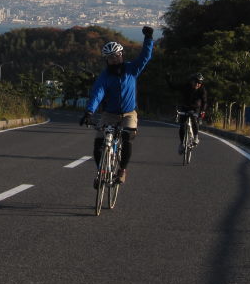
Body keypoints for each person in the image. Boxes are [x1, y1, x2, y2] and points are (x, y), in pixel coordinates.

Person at [79, 26, 154, 185]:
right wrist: (89, 112)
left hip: (128, 113)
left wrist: (148, 38)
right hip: (109, 114)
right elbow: (97, 93)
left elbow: (145, 57)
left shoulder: (131, 69)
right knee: (99, 144)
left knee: (127, 139)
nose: (114, 59)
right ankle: (102, 171)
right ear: (106, 59)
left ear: (121, 55)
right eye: (110, 57)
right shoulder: (104, 76)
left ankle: (121, 170)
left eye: (117, 56)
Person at [167, 72, 208, 154]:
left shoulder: (202, 90)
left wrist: (202, 111)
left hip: (195, 108)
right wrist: (168, 80)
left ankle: (196, 137)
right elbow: (173, 87)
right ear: (192, 81)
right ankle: (182, 143)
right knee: (182, 125)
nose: (197, 84)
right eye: (196, 82)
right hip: (185, 107)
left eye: (199, 83)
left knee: (194, 119)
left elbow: (204, 101)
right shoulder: (186, 86)